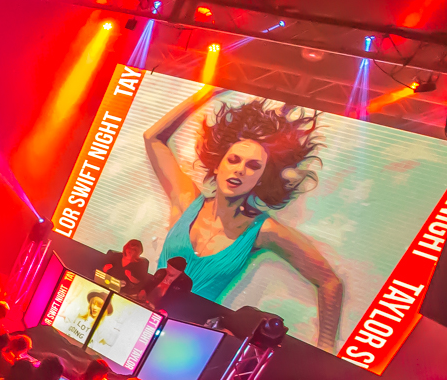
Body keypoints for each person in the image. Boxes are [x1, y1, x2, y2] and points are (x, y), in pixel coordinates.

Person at [144, 90, 344, 349]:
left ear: (261, 178)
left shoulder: (263, 230)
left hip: (185, 339)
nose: (240, 170)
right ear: (218, 165)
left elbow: (329, 281)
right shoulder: (186, 200)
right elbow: (152, 138)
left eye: (253, 166)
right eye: (234, 160)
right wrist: (209, 91)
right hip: (143, 314)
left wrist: (325, 348)